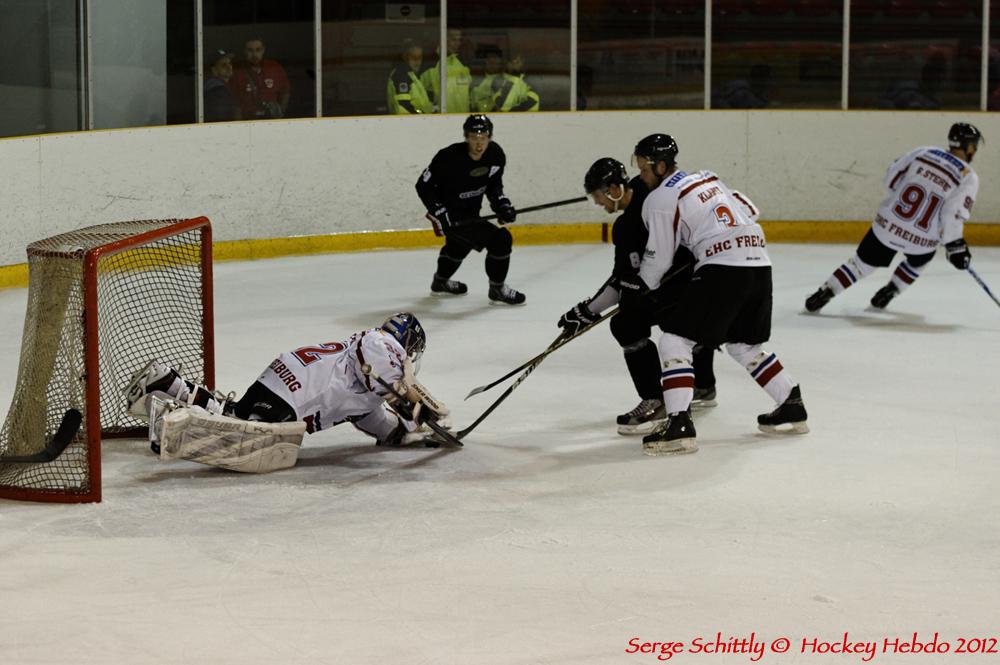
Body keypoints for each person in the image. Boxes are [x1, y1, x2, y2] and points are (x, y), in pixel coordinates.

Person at [634, 134, 808, 456]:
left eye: (644, 169)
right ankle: (790, 402)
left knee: (674, 341)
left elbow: (658, 260)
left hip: (723, 268)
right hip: (759, 263)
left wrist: (641, 288)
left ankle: (678, 424)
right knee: (744, 344)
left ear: (660, 166)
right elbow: (751, 210)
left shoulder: (660, 199)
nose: (641, 176)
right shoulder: (708, 178)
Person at [124, 313, 449, 469]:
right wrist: (414, 399)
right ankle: (170, 420)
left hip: (286, 377)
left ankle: (169, 384)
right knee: (263, 448)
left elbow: (380, 423)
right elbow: (384, 367)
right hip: (295, 390)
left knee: (234, 417)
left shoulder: (370, 392)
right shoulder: (382, 344)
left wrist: (414, 433)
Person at [556, 158, 718, 436]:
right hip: (691, 279)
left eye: (598, 196)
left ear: (614, 189)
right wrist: (587, 310)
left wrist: (590, 310)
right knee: (641, 317)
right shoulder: (638, 207)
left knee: (630, 323)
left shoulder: (645, 209)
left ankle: (658, 398)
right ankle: (702, 383)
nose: (598, 204)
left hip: (690, 281)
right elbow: (623, 277)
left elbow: (626, 281)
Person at [804, 123, 981, 313]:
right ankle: (892, 290)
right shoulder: (968, 177)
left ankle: (827, 290)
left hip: (888, 226)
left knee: (860, 264)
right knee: (918, 262)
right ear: (968, 146)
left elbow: (890, 179)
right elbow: (951, 215)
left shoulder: (924, 151)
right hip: (922, 241)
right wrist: (955, 245)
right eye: (974, 145)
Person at [415, 114, 525, 305]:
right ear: (466, 137)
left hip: (471, 214)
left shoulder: (495, 155)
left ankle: (440, 282)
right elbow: (423, 186)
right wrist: (439, 212)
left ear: (490, 137)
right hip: (451, 215)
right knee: (501, 239)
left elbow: (493, 186)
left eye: (483, 138)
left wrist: (502, 205)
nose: (479, 144)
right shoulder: (448, 157)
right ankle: (497, 288)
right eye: (474, 137)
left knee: (458, 248)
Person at [230, 37, 290, 120]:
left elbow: (285, 92)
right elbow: (235, 103)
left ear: (263, 50)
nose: (254, 54)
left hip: (271, 120)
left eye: (258, 50)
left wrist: (280, 113)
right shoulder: (236, 72)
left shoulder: (274, 67)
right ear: (244, 51)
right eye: (250, 50)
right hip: (248, 123)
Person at [420, 28, 471, 113]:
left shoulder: (461, 64)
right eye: (453, 40)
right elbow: (420, 93)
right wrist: (431, 110)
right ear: (443, 39)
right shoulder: (431, 64)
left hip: (462, 120)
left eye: (459, 40)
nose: (457, 44)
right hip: (441, 121)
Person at [387, 39, 434, 114]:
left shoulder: (412, 75)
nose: (417, 61)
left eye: (420, 57)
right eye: (414, 57)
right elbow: (403, 105)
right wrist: (420, 114)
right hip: (408, 122)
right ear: (405, 57)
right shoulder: (401, 74)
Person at [204, 48, 240, 122]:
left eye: (229, 63)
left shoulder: (225, 86)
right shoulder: (218, 91)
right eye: (223, 65)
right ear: (214, 70)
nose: (229, 67)